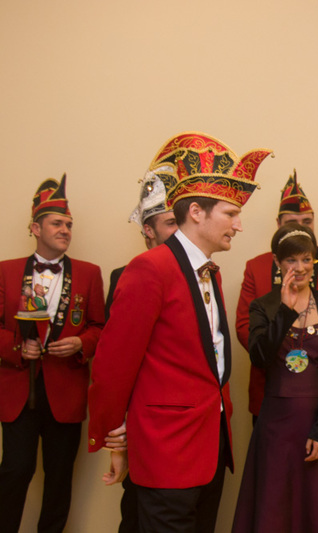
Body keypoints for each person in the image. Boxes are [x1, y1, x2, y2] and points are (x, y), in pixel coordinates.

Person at [87, 132, 272, 533]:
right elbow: (114, 364)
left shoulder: (210, 272)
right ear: (197, 212)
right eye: (231, 213)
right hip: (166, 450)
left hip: (209, 446)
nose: (239, 225)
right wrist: (114, 439)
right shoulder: (150, 268)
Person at [232, 223, 318, 532]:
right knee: (275, 508)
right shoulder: (262, 307)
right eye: (292, 260)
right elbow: (259, 358)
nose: (301, 267)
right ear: (277, 262)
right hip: (276, 427)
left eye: (306, 259)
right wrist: (285, 311)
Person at [0, 174, 105, 533]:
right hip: (18, 390)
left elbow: (99, 327)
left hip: (66, 390)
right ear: (35, 227)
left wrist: (81, 344)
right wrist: (19, 347)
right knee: (15, 471)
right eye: (57, 223)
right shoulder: (6, 271)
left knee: (59, 479)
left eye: (69, 225)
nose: (65, 230)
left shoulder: (89, 273)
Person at [236, 170, 318, 422]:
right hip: (270, 385)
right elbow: (244, 326)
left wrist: (308, 357)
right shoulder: (256, 267)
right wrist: (280, 355)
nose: (301, 228)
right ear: (278, 224)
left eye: (307, 222)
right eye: (292, 222)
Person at [103, 170, 178, 533]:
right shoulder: (127, 275)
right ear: (148, 229)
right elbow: (116, 361)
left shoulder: (202, 274)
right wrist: (118, 431)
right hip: (142, 421)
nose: (179, 232)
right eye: (170, 223)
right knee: (137, 513)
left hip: (184, 423)